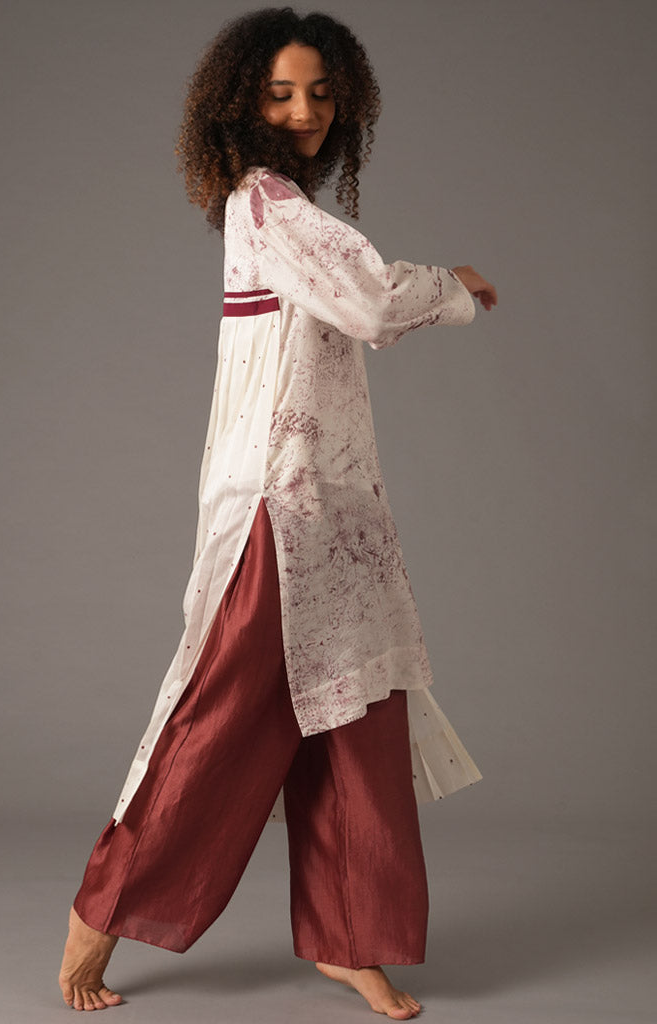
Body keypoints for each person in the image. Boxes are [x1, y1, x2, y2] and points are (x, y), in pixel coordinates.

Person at [58, 7, 497, 1019]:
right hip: (275, 498)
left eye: (323, 94)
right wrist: (458, 286)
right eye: (281, 93)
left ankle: (352, 939)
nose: (305, 112)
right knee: (219, 714)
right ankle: (101, 910)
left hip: (338, 505)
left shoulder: (287, 203)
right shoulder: (264, 201)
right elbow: (371, 299)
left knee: (357, 719)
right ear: (239, 105)